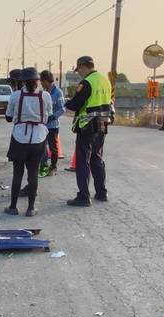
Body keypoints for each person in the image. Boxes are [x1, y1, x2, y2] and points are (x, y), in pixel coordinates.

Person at [64, 56, 113, 206]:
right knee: (97, 159)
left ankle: (84, 196)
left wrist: (66, 102)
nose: (79, 72)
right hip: (102, 125)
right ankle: (101, 192)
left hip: (87, 127)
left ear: (83, 66)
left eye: (79, 69)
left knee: (83, 161)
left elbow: (75, 105)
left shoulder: (86, 83)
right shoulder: (105, 80)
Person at [4, 67, 52, 217]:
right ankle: (31, 208)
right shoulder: (46, 96)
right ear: (38, 81)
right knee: (33, 173)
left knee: (17, 173)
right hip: (38, 138)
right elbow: (49, 116)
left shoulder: (15, 96)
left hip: (20, 138)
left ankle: (13, 207)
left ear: (22, 81)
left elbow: (8, 117)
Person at [38, 70, 65, 177]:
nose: (41, 83)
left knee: (53, 148)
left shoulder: (58, 92)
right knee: (42, 147)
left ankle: (53, 167)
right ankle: (43, 166)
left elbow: (62, 108)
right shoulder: (43, 93)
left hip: (53, 125)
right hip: (42, 125)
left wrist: (53, 116)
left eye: (42, 81)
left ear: (46, 81)